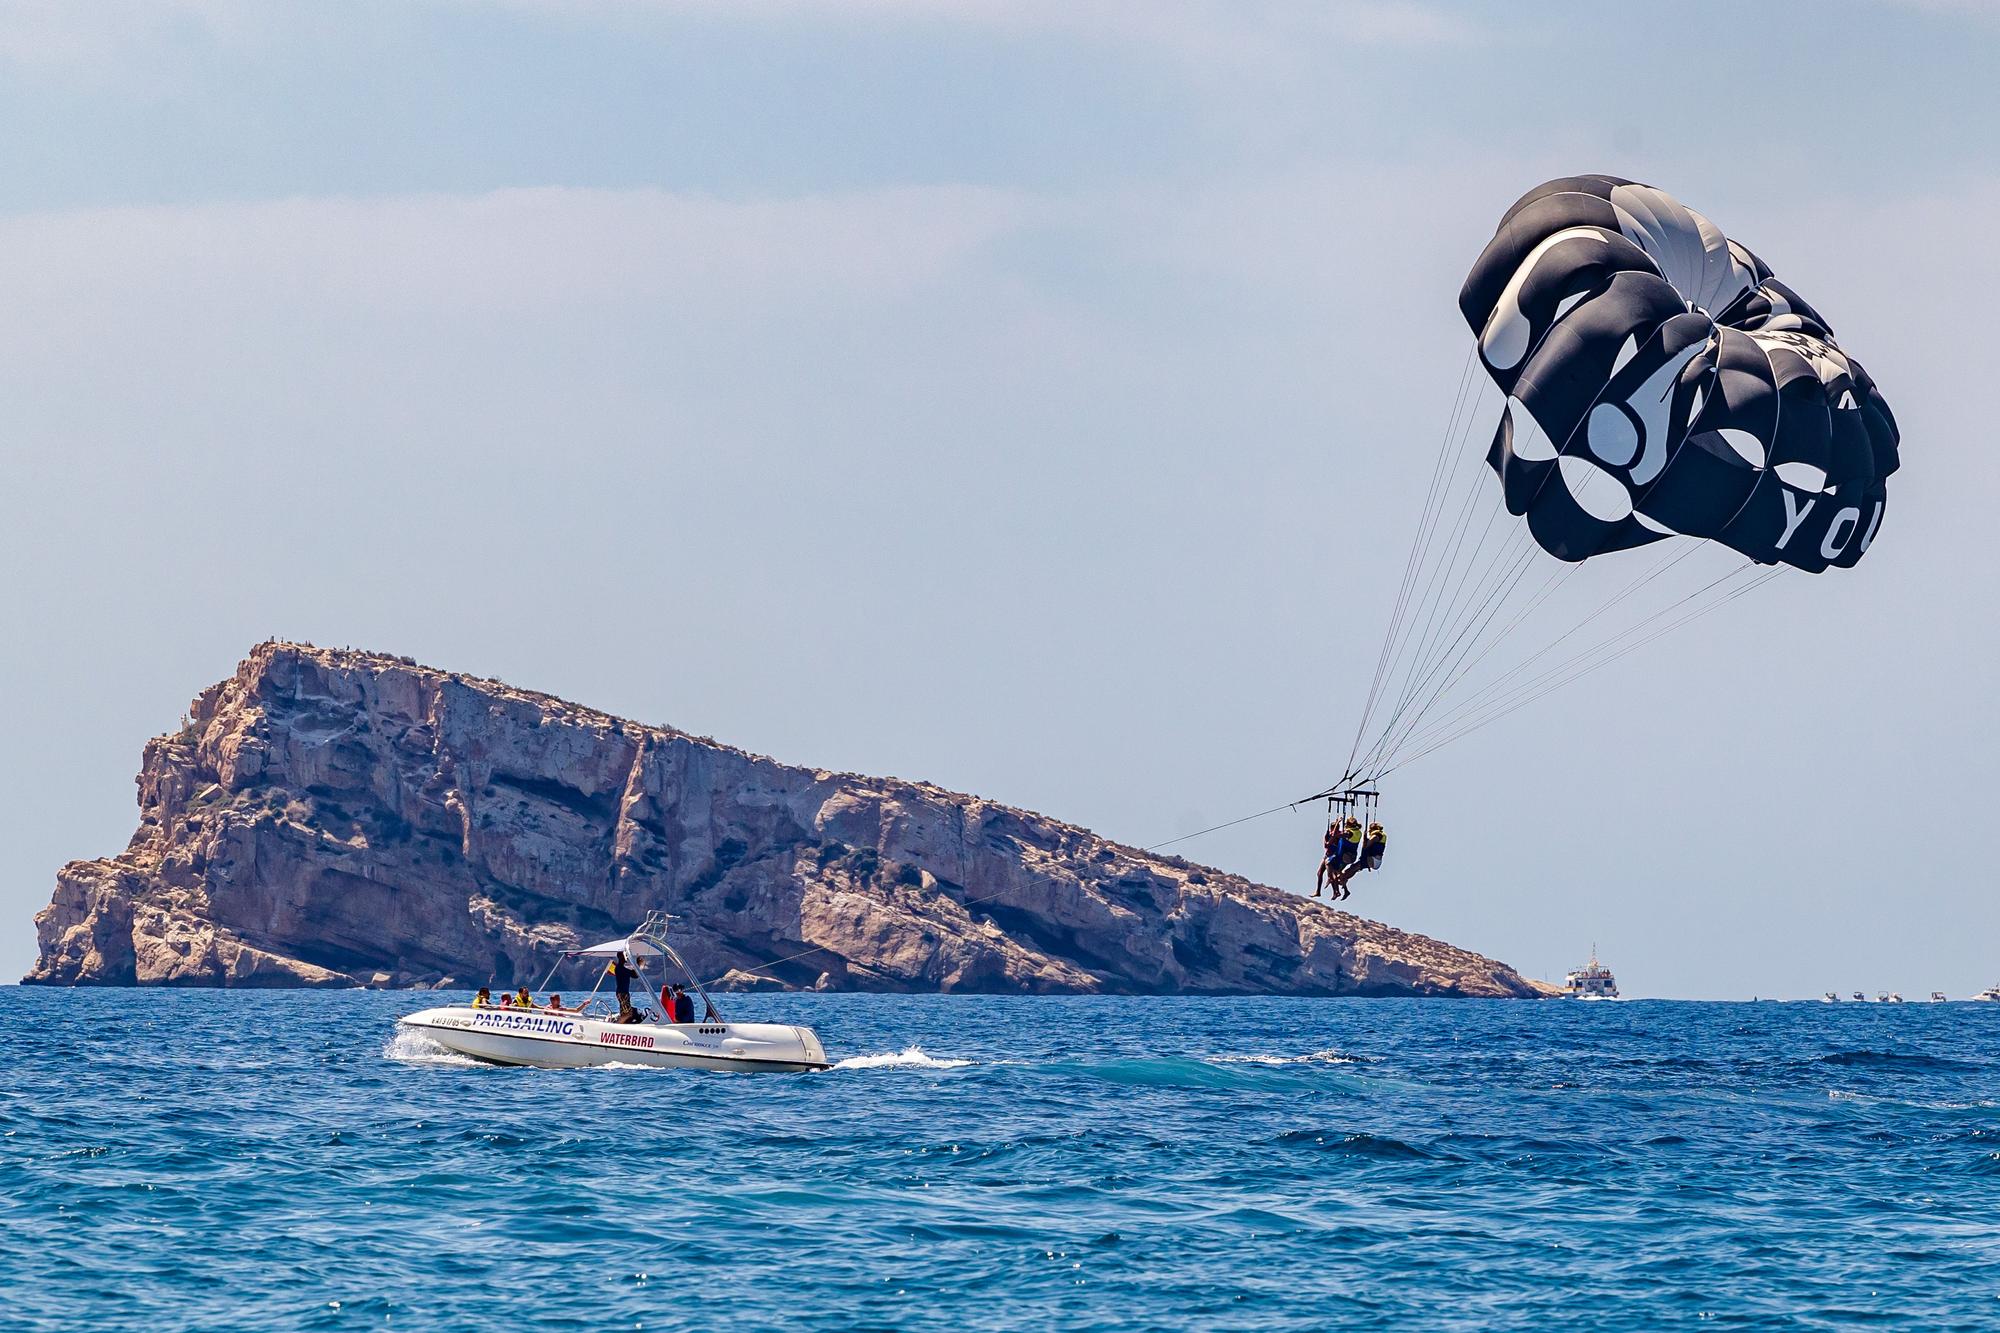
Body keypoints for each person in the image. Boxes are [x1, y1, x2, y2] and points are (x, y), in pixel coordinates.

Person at [1313, 822, 1341, 898]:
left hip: (1332, 856)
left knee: (1331, 875)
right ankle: (1318, 891)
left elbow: (1327, 844)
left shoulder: (1337, 835)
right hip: (1327, 855)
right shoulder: (1331, 834)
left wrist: (1325, 839)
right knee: (1319, 873)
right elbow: (1326, 845)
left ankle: (1336, 891)